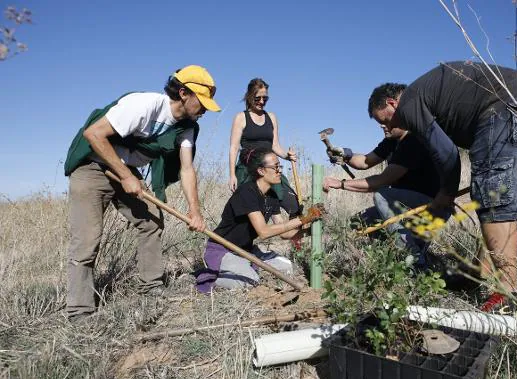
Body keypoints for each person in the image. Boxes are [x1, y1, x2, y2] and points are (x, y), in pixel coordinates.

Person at [367, 61, 517, 312]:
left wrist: (444, 195)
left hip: (509, 107)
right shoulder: (429, 97)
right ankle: (479, 274)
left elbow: (448, 154)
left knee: (494, 201)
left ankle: (505, 294)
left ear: (392, 103)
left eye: (387, 121)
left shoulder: (410, 102)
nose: (388, 128)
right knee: (502, 198)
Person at [63, 65, 221, 321]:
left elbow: (187, 169)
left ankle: (151, 286)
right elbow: (93, 134)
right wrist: (126, 177)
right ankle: (80, 311)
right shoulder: (144, 105)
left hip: (124, 170)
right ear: (183, 93)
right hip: (93, 167)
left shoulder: (188, 127)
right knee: (87, 239)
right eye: (201, 102)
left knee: (151, 220)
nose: (204, 110)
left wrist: (195, 212)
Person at [196, 148, 323, 292]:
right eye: (275, 167)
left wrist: (308, 231)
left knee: (286, 266)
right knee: (250, 281)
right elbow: (263, 232)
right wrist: (304, 218)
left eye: (279, 166)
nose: (279, 171)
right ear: (261, 171)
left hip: (245, 251)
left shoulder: (272, 196)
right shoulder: (246, 192)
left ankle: (245, 268)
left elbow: (284, 233)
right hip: (223, 249)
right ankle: (208, 277)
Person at [322, 126, 448, 269]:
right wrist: (345, 154)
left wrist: (341, 184)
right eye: (380, 122)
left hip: (430, 206)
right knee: (360, 222)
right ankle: (395, 257)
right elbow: (365, 161)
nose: (382, 125)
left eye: (386, 121)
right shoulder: (391, 140)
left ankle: (416, 260)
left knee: (382, 195)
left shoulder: (413, 141)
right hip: (403, 206)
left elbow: (381, 182)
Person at [228, 78, 301, 218]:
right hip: (248, 169)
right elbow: (234, 148)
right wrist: (232, 175)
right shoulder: (241, 118)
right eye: (257, 98)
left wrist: (287, 156)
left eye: (265, 98)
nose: (262, 101)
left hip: (270, 168)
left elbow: (275, 145)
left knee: (294, 205)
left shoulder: (271, 117)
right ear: (249, 96)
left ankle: (296, 238)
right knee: (248, 213)